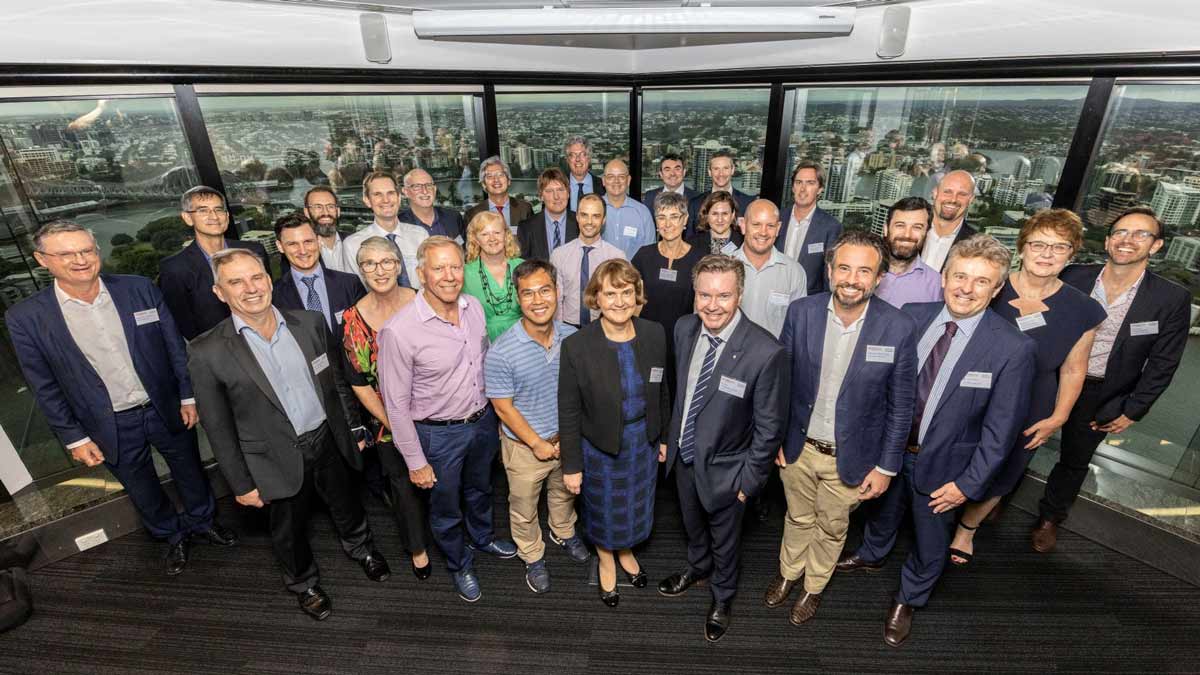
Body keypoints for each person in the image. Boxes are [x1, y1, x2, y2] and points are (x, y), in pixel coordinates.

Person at [837, 234, 1035, 647]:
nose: (966, 288)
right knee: (883, 512)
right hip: (890, 453)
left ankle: (909, 597)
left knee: (930, 541)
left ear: (998, 289)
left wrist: (968, 485)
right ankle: (872, 555)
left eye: (982, 281)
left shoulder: (1012, 348)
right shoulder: (911, 315)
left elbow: (1002, 433)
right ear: (944, 278)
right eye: (960, 275)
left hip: (947, 469)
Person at [7, 220, 235, 576]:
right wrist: (75, 438)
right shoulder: (26, 317)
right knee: (141, 487)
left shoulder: (139, 288)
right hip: (107, 422)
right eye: (66, 254)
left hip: (164, 407)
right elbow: (44, 384)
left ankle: (203, 521)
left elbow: (174, 346)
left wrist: (188, 396)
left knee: (190, 470)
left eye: (86, 250)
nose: (80, 259)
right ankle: (170, 534)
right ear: (42, 260)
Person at [188, 248, 389, 621]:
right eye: (236, 282)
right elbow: (217, 426)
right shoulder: (206, 351)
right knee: (288, 530)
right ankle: (303, 583)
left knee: (348, 505)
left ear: (269, 279)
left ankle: (361, 548)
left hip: (328, 439)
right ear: (220, 292)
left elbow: (339, 384)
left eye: (256, 277)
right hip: (271, 458)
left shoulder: (310, 323)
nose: (251, 288)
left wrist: (354, 428)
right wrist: (241, 484)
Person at [766, 230, 916, 626]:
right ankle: (787, 575)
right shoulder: (801, 311)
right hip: (798, 447)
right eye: (844, 268)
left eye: (864, 271)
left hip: (852, 458)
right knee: (797, 517)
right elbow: (781, 382)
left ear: (879, 277)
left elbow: (901, 406)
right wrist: (776, 438)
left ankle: (812, 587)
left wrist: (886, 467)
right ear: (830, 271)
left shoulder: (898, 328)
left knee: (832, 529)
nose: (852, 279)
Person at [948, 209, 1105, 565]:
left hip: (1032, 404)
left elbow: (1074, 369)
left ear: (1072, 253)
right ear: (1022, 248)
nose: (1046, 254)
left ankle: (966, 529)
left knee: (1006, 468)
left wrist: (1059, 416)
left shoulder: (1084, 309)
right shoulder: (989, 286)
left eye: (1059, 246)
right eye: (1038, 244)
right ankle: (938, 516)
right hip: (970, 392)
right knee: (954, 456)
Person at [1033, 206, 1191, 552]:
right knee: (1020, 441)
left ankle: (1050, 518)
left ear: (1156, 246)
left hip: (1102, 393)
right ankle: (995, 499)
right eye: (1120, 232)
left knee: (1073, 461)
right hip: (1050, 379)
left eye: (1140, 234)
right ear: (1107, 240)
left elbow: (1164, 361)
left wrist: (1134, 408)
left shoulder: (1171, 298)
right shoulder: (1074, 275)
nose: (1127, 240)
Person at [377, 236, 518, 603]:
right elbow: (394, 404)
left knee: (481, 488)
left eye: (455, 266)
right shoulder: (398, 330)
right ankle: (459, 563)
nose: (449, 276)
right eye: (438, 268)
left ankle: (483, 538)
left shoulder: (472, 307)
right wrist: (415, 461)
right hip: (438, 436)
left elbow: (482, 366)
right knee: (445, 505)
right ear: (421, 274)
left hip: (482, 421)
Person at [659, 254, 788, 643]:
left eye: (723, 296)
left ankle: (722, 597)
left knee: (726, 541)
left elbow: (769, 428)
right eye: (704, 295)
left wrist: (750, 481)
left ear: (740, 296)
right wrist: (669, 439)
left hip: (729, 471)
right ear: (694, 295)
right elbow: (680, 394)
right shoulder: (683, 329)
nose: (712, 305)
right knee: (692, 526)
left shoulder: (766, 351)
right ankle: (697, 568)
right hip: (683, 458)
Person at [559, 259, 670, 608]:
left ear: (637, 295)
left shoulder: (654, 333)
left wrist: (663, 436)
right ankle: (606, 557)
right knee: (605, 508)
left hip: (643, 444)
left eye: (626, 292)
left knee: (636, 506)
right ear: (596, 297)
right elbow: (569, 409)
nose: (620, 301)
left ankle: (626, 551)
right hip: (601, 448)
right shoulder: (577, 345)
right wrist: (571, 465)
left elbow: (662, 389)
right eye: (610, 293)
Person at [485, 260, 590, 594]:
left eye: (545, 290)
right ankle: (531, 553)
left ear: (557, 293)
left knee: (563, 493)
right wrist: (536, 443)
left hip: (568, 439)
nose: (538, 300)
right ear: (518, 299)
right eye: (527, 293)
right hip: (525, 447)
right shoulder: (502, 350)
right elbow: (502, 406)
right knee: (524, 506)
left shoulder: (573, 338)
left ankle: (562, 529)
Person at [341, 235, 432, 581]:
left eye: (386, 262)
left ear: (398, 265)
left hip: (433, 415)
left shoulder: (423, 302)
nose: (379, 270)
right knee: (403, 486)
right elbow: (358, 382)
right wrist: (393, 421)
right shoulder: (352, 319)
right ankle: (418, 549)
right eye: (369, 264)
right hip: (386, 422)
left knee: (443, 480)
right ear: (360, 270)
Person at [158, 185, 270, 340]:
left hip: (266, 336)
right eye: (203, 210)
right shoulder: (175, 269)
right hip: (219, 352)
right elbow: (184, 325)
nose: (214, 216)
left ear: (227, 216)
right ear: (188, 218)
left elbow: (269, 298)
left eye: (218, 209)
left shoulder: (254, 252)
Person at [631, 191, 707, 399]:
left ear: (684, 221)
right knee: (644, 394)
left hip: (682, 344)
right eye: (662, 217)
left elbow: (701, 306)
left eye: (674, 217)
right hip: (647, 342)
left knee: (676, 396)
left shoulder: (700, 259)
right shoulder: (643, 255)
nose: (668, 223)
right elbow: (634, 302)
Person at [271, 213, 366, 334]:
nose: (303, 251)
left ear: (319, 240)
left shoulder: (349, 283)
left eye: (308, 241)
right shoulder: (274, 295)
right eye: (293, 244)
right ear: (280, 246)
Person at [733, 199, 807, 338]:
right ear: (743, 225)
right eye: (756, 224)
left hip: (773, 357)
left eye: (770, 226)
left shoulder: (794, 272)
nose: (763, 232)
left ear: (778, 228)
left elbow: (798, 327)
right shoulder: (723, 266)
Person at [550, 193, 626, 327]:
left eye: (596, 216)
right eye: (584, 215)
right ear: (577, 217)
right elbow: (556, 299)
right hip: (568, 328)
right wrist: (559, 331)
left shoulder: (617, 257)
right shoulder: (559, 255)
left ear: (603, 220)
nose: (589, 222)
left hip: (605, 327)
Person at [341, 171, 421, 289]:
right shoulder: (353, 245)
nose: (386, 200)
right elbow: (357, 290)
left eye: (391, 193)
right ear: (367, 200)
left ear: (399, 197)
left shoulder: (420, 235)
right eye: (377, 194)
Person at [776, 160, 844, 295]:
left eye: (810, 183)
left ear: (820, 189)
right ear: (793, 187)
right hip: (772, 295)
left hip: (807, 301)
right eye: (799, 182)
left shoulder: (831, 227)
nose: (803, 189)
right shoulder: (777, 218)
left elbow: (829, 275)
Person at [462, 211, 524, 341]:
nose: (492, 239)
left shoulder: (523, 267)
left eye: (497, 232)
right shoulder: (464, 274)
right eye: (484, 234)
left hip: (523, 339)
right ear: (476, 239)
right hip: (482, 343)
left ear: (506, 235)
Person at [876, 197, 943, 308]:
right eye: (900, 225)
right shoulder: (861, 271)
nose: (907, 235)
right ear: (886, 229)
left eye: (917, 227)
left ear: (927, 233)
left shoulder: (937, 286)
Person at [920, 170, 979, 271]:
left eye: (962, 194)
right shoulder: (911, 230)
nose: (953, 199)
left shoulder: (976, 246)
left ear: (971, 199)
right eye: (947, 192)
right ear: (935, 192)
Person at [687, 150, 755, 237]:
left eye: (725, 168)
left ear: (732, 170)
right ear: (709, 172)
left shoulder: (748, 203)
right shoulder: (695, 204)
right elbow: (689, 240)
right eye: (716, 169)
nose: (721, 174)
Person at [601, 159, 656, 260]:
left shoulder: (642, 212)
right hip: (599, 274)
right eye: (610, 177)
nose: (616, 181)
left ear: (629, 180)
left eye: (621, 177)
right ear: (603, 181)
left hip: (632, 275)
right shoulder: (594, 210)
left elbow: (650, 253)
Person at [518, 167, 578, 260]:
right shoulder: (526, 228)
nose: (556, 196)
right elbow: (524, 267)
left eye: (561, 190)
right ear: (541, 196)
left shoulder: (580, 223)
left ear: (568, 193)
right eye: (549, 191)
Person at [463, 155, 533, 233]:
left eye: (500, 175)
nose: (496, 179)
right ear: (483, 184)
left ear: (509, 180)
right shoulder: (472, 214)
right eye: (490, 176)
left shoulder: (525, 209)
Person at [399, 168, 464, 242]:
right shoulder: (399, 224)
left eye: (428, 185)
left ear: (435, 189)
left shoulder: (453, 217)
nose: (425, 191)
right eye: (417, 186)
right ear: (406, 192)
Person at [301, 186, 352, 274]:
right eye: (318, 207)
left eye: (330, 206)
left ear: (338, 211)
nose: (325, 212)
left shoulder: (354, 242)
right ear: (306, 212)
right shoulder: (301, 251)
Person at [687, 191, 743, 256]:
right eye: (715, 214)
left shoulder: (744, 243)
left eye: (725, 214)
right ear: (707, 215)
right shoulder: (692, 244)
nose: (720, 220)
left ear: (733, 215)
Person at [564, 136, 604, 212]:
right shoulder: (557, 186)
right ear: (567, 160)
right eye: (573, 155)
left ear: (589, 158)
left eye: (583, 154)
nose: (578, 159)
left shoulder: (603, 186)